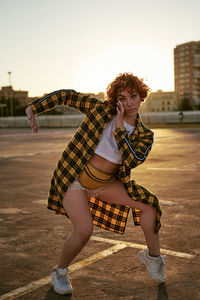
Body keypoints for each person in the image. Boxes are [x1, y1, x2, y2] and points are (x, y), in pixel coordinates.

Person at [26, 73, 166, 295]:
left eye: (133, 96)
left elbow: (132, 160)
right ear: (115, 99)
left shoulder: (144, 135)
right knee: (84, 230)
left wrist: (120, 128)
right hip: (75, 178)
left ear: (141, 97)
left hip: (105, 183)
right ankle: (60, 271)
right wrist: (34, 108)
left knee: (149, 206)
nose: (129, 103)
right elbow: (66, 96)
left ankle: (153, 258)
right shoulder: (99, 110)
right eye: (122, 98)